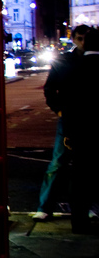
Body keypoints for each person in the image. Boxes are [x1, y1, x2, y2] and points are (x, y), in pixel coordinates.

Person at [32, 25, 91, 221]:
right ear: (73, 39)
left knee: (90, 165)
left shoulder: (94, 59)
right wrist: (59, 109)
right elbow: (50, 89)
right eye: (80, 38)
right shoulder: (65, 61)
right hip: (69, 119)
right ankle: (45, 207)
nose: (83, 42)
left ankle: (88, 206)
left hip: (91, 119)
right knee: (58, 162)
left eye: (86, 39)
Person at [61, 28, 99, 234]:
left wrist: (68, 132)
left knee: (80, 178)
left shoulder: (74, 68)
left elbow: (66, 103)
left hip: (81, 133)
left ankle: (79, 221)